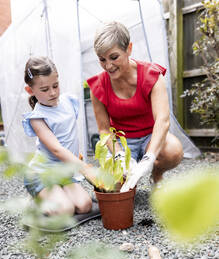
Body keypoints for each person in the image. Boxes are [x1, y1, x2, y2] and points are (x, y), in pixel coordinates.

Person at [87, 21, 183, 192]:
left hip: (149, 137)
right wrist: (119, 155)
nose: (108, 66)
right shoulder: (98, 86)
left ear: (129, 49)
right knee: (112, 188)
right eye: (102, 59)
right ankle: (127, 178)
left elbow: (162, 120)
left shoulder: (151, 75)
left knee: (173, 151)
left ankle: (157, 175)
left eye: (114, 57)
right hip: (122, 141)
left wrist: (149, 158)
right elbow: (103, 129)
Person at [22, 56, 95, 216]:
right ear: (30, 90)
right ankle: (36, 199)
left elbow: (68, 135)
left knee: (85, 205)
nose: (53, 92)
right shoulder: (37, 118)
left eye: (55, 85)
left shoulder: (69, 101)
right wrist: (83, 167)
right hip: (42, 174)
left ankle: (58, 192)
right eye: (45, 89)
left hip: (64, 173)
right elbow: (56, 149)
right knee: (65, 210)